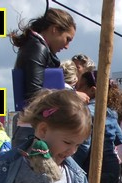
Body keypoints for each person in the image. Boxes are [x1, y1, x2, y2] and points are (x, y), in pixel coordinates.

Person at [10, 8, 87, 149]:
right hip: (32, 131)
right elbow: (34, 94)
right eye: (67, 39)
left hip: (33, 129)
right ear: (54, 29)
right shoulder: (37, 48)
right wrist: (72, 95)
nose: (67, 46)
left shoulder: (34, 46)